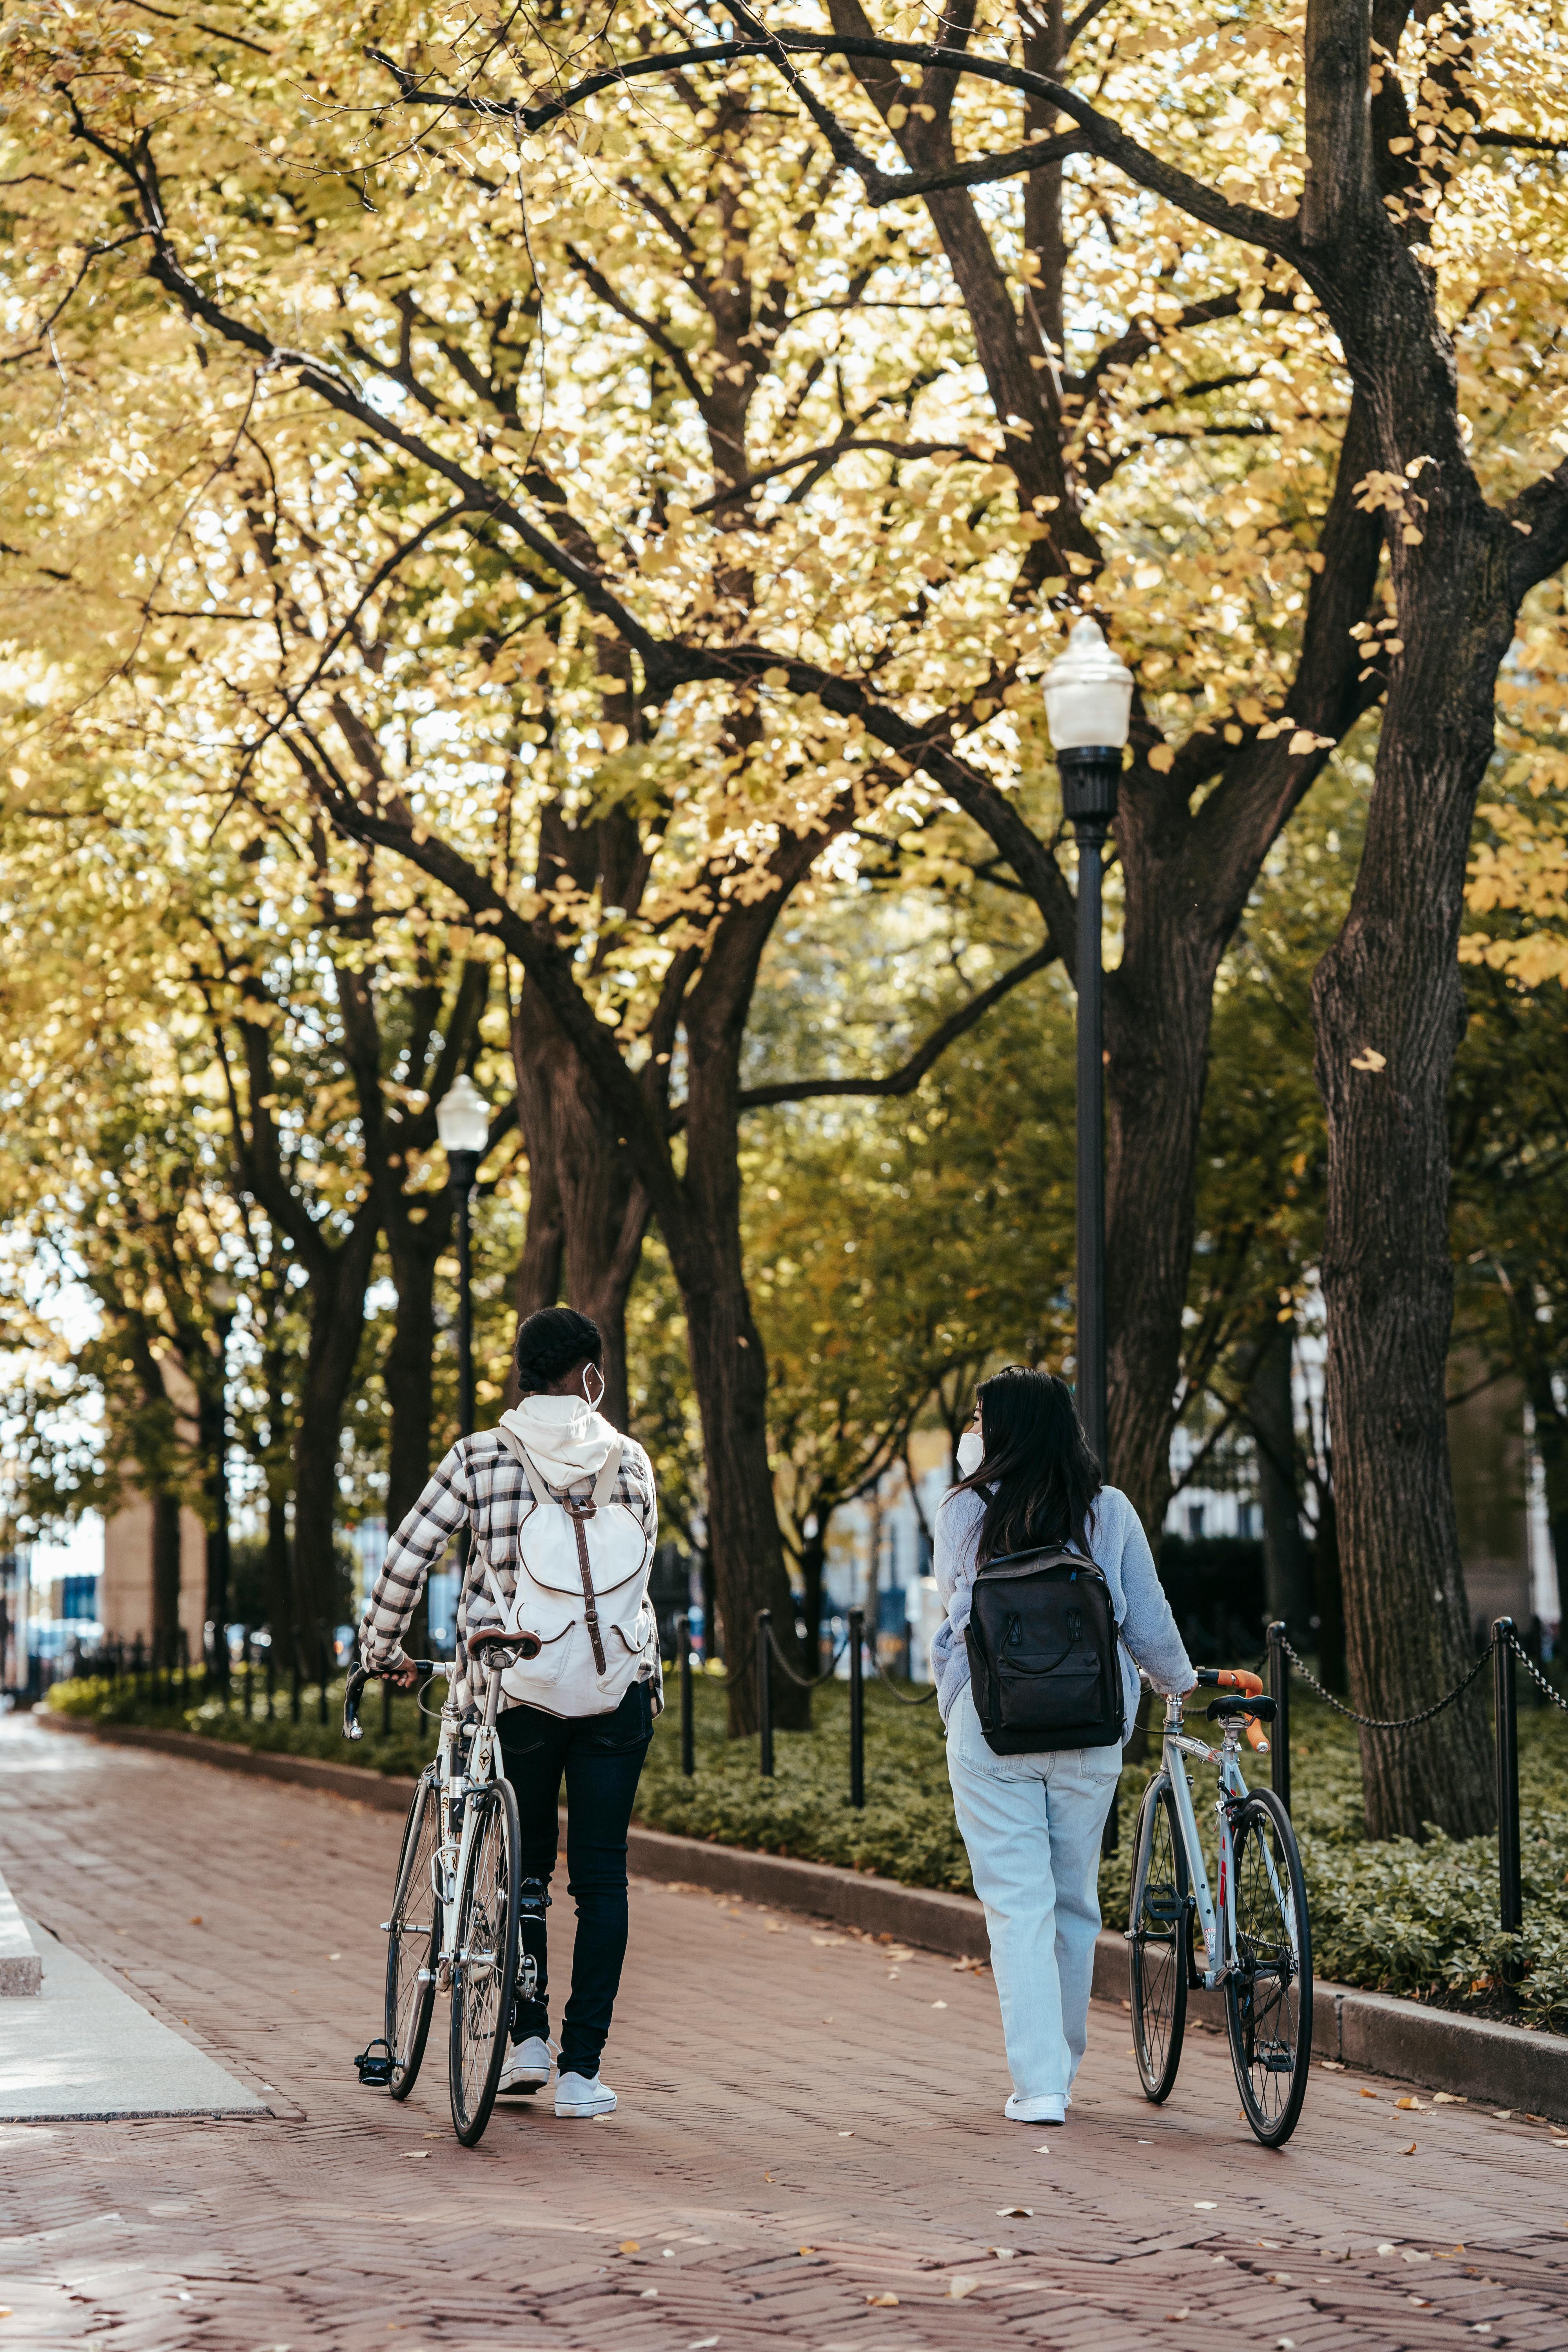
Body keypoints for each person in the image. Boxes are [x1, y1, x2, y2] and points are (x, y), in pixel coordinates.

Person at [358, 1305, 659, 2120]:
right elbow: (640, 1589)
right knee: (600, 1879)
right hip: (613, 1695)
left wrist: (381, 1649)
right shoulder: (630, 1462)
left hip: (512, 1690)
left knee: (521, 1871)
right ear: (589, 1373)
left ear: (523, 1370)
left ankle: (522, 2040)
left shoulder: (479, 1456)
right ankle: (579, 2073)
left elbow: (405, 1559)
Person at [931, 1365, 1194, 2128]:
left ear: (1001, 1428)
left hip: (992, 1726)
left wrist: (955, 1706)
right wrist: (1177, 1683)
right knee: (1074, 1901)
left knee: (1016, 1906)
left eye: (979, 1418)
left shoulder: (964, 1509)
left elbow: (952, 1625)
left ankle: (1039, 2086)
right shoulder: (1107, 1510)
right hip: (1088, 1727)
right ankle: (1063, 2071)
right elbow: (1147, 1621)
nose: (972, 1431)